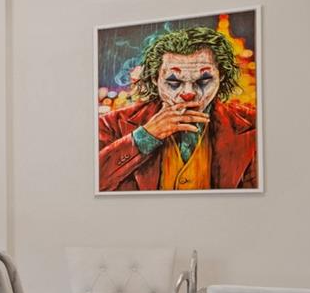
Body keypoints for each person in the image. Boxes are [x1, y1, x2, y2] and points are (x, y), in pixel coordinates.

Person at [97, 26, 257, 191]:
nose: (188, 93)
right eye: (174, 82)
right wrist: (144, 137)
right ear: (154, 78)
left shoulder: (253, 123)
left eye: (204, 80)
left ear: (221, 76)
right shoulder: (111, 124)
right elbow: (91, 183)